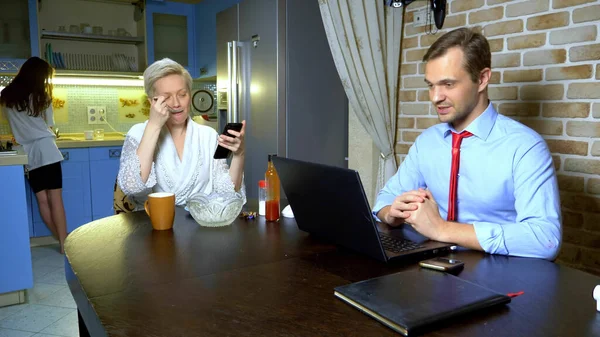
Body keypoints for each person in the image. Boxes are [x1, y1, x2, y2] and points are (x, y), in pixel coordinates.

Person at [373, 28, 561, 260]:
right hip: (429, 269)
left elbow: (545, 239)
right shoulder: (427, 142)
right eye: (431, 85)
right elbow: (384, 199)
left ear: (482, 79)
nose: (435, 97)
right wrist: (391, 213)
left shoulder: (526, 147)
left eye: (448, 84)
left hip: (499, 275)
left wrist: (442, 229)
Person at [117, 58, 246, 208]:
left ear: (190, 95)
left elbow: (227, 193)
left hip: (200, 224)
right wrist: (153, 126)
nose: (176, 103)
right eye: (167, 97)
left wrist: (239, 154)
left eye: (182, 94)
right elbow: (132, 188)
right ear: (152, 102)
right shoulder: (138, 134)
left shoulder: (208, 136)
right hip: (153, 224)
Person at [1, 57, 68, 254]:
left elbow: (14, 123)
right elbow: (49, 124)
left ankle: (60, 240)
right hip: (47, 149)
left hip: (28, 153)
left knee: (42, 200)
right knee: (55, 198)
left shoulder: (6, 97)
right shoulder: (42, 96)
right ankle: (65, 245)